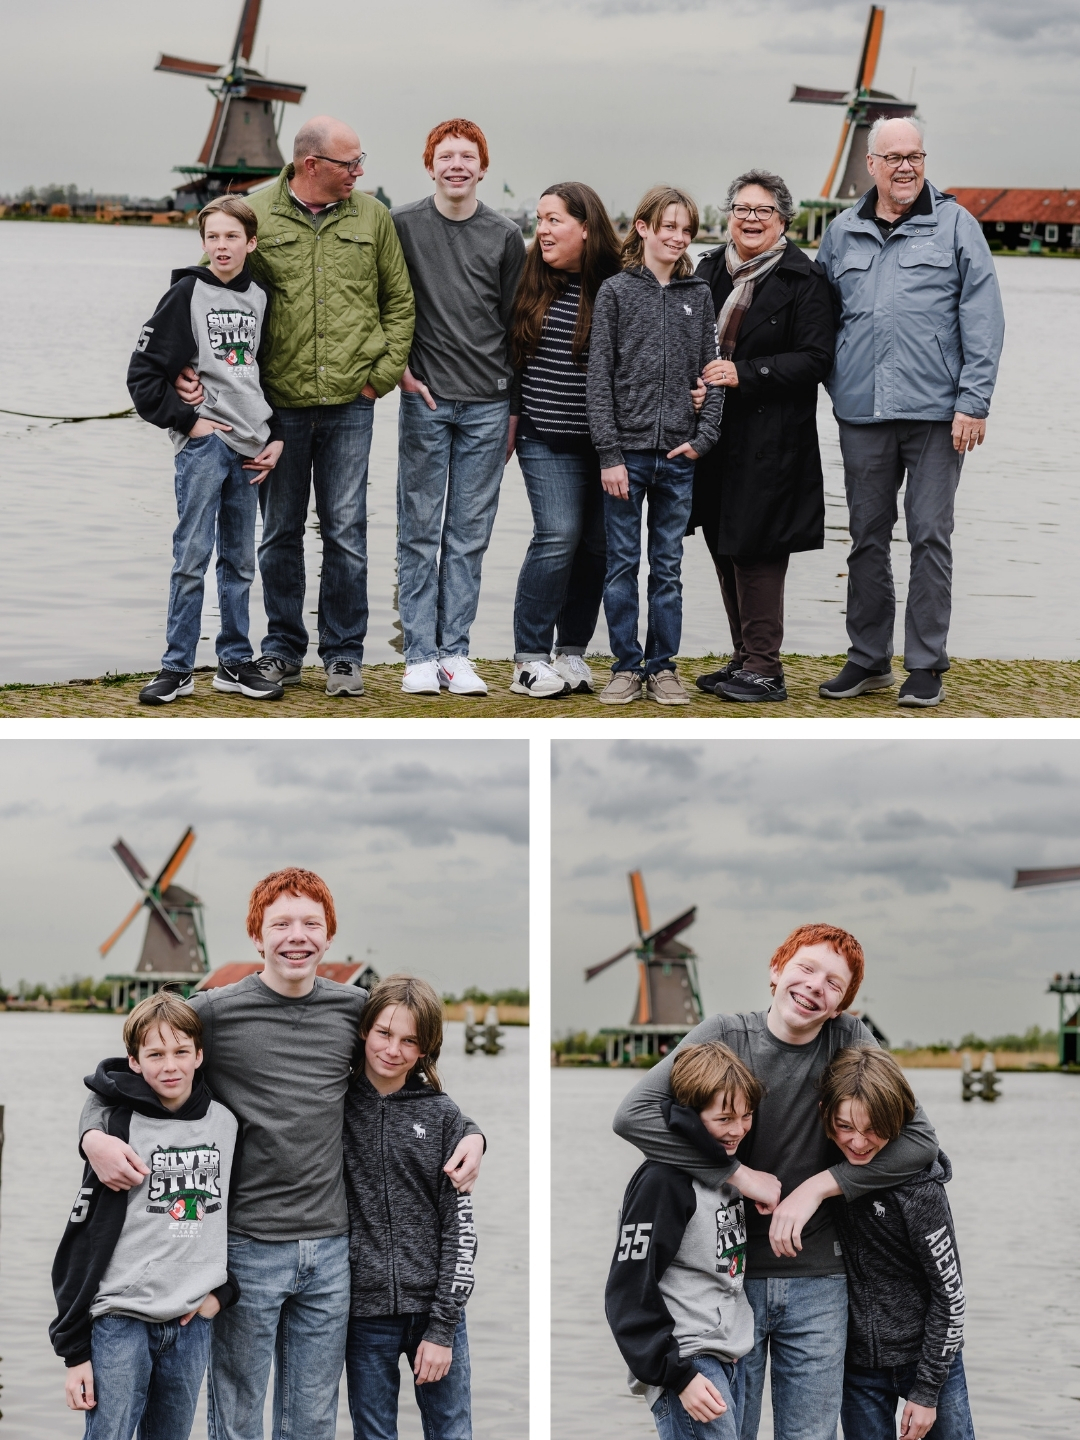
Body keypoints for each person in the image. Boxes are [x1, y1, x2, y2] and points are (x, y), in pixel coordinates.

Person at [77, 868, 485, 1440]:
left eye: (311, 923)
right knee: (238, 1414)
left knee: (312, 1419)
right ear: (257, 935)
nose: (297, 936)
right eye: (281, 924)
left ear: (329, 935)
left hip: (333, 1252)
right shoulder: (214, 1012)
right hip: (247, 1246)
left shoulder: (356, 1010)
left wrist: (472, 1133)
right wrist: (93, 1138)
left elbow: (408, 1081)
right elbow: (126, 1075)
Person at [612, 922, 941, 1440]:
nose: (815, 986)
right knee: (730, 1430)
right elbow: (634, 1115)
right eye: (806, 968)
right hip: (729, 1284)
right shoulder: (724, 1035)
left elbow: (920, 1140)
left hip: (820, 1281)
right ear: (776, 969)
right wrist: (737, 1175)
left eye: (833, 983)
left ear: (841, 1005)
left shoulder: (849, 1039)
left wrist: (820, 1187)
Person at [176, 116, 415, 698]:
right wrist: (184, 366)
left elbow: (399, 303)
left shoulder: (374, 217)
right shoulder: (254, 213)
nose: (359, 172)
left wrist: (377, 381)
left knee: (346, 530)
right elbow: (210, 294)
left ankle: (344, 654)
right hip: (276, 410)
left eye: (360, 161)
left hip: (351, 404)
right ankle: (282, 650)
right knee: (279, 532)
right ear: (312, 165)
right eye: (350, 163)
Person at [816, 116, 1005, 709]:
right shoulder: (841, 232)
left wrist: (973, 402)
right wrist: (837, 382)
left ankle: (924, 665)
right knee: (866, 538)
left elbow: (984, 318)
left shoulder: (956, 224)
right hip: (862, 412)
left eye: (915, 156)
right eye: (894, 157)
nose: (906, 167)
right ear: (870, 164)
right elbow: (820, 319)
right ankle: (868, 659)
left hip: (937, 416)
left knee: (930, 537)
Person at [51, 992, 239, 1438]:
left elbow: (234, 1214)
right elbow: (84, 1236)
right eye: (155, 1055)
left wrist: (223, 1291)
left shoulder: (227, 1123)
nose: (169, 1066)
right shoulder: (115, 1131)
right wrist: (74, 1351)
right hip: (121, 1318)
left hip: (191, 1319)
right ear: (134, 1061)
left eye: (180, 1052)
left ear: (199, 1055)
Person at [127, 196, 286, 706]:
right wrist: (188, 421)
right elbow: (142, 373)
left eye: (232, 237)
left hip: (250, 446)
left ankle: (235, 662)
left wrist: (276, 433)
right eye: (213, 237)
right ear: (203, 243)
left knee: (239, 561)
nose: (222, 246)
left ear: (251, 243)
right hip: (205, 446)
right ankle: (177, 667)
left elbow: (267, 373)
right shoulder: (186, 294)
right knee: (191, 557)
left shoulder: (260, 296)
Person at [392, 119, 527, 698]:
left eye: (467, 156)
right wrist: (398, 371)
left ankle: (455, 653)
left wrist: (515, 409)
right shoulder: (401, 225)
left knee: (469, 535)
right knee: (419, 530)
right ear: (430, 166)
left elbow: (517, 327)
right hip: (425, 399)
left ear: (482, 168)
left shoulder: (505, 235)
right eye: (445, 156)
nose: (456, 165)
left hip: (489, 405)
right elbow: (384, 303)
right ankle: (419, 656)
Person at [690, 171, 835, 704]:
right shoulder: (708, 270)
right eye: (742, 209)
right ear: (729, 215)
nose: (751, 219)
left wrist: (743, 373)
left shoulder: (805, 279)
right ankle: (743, 658)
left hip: (771, 437)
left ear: (783, 221)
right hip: (714, 433)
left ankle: (766, 669)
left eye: (763, 211)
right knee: (723, 544)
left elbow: (816, 359)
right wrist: (692, 386)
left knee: (757, 550)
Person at [587, 186, 724, 706]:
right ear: (643, 227)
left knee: (667, 568)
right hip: (626, 458)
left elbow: (712, 372)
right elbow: (599, 379)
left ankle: (663, 667)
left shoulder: (699, 293)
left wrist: (703, 439)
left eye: (686, 229)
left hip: (678, 457)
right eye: (668, 226)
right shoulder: (616, 292)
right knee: (622, 564)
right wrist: (609, 455)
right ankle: (625, 667)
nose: (678, 237)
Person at [606, 1041, 766, 1440]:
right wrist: (678, 1375)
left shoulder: (730, 1172)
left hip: (731, 1354)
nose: (737, 1129)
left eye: (746, 1116)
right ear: (690, 1115)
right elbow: (628, 1290)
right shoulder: (662, 1182)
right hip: (688, 1363)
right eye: (724, 1118)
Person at [343, 975, 476, 1439]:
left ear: (426, 1049)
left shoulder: (442, 1116)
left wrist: (442, 1327)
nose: (392, 1049)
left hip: (436, 1312)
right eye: (384, 1033)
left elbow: (461, 1231)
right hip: (365, 1316)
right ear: (365, 1030)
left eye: (409, 1041)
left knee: (451, 1432)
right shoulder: (335, 1105)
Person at [819, 1047, 974, 1440]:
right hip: (857, 1368)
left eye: (873, 1129)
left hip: (928, 1361)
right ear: (826, 1116)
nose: (858, 1142)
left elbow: (951, 1295)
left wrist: (927, 1391)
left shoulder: (920, 1191)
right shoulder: (824, 1169)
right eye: (845, 1126)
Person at [507, 183, 622, 698]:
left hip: (607, 443)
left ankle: (571, 651)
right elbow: (512, 360)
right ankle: (528, 660)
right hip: (544, 435)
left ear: (587, 228)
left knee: (597, 546)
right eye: (540, 220)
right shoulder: (529, 278)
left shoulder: (620, 284)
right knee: (557, 535)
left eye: (554, 220)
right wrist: (512, 422)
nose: (543, 230)